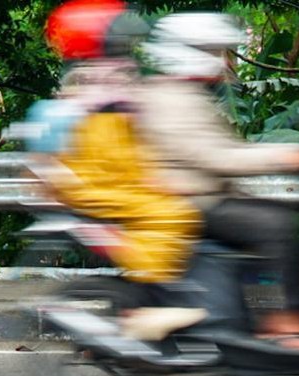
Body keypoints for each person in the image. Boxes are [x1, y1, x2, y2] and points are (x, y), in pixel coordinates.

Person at [137, 12, 299, 351]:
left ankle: (287, 311)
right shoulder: (170, 99)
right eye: (213, 51)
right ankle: (275, 319)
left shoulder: (186, 95)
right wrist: (286, 156)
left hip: (204, 196)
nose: (220, 61)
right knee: (273, 224)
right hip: (190, 203)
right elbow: (216, 157)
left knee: (288, 229)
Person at [37, 0, 207, 341]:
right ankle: (149, 309)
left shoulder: (107, 74)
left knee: (177, 207)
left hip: (115, 177)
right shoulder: (87, 84)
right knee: (171, 215)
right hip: (97, 182)